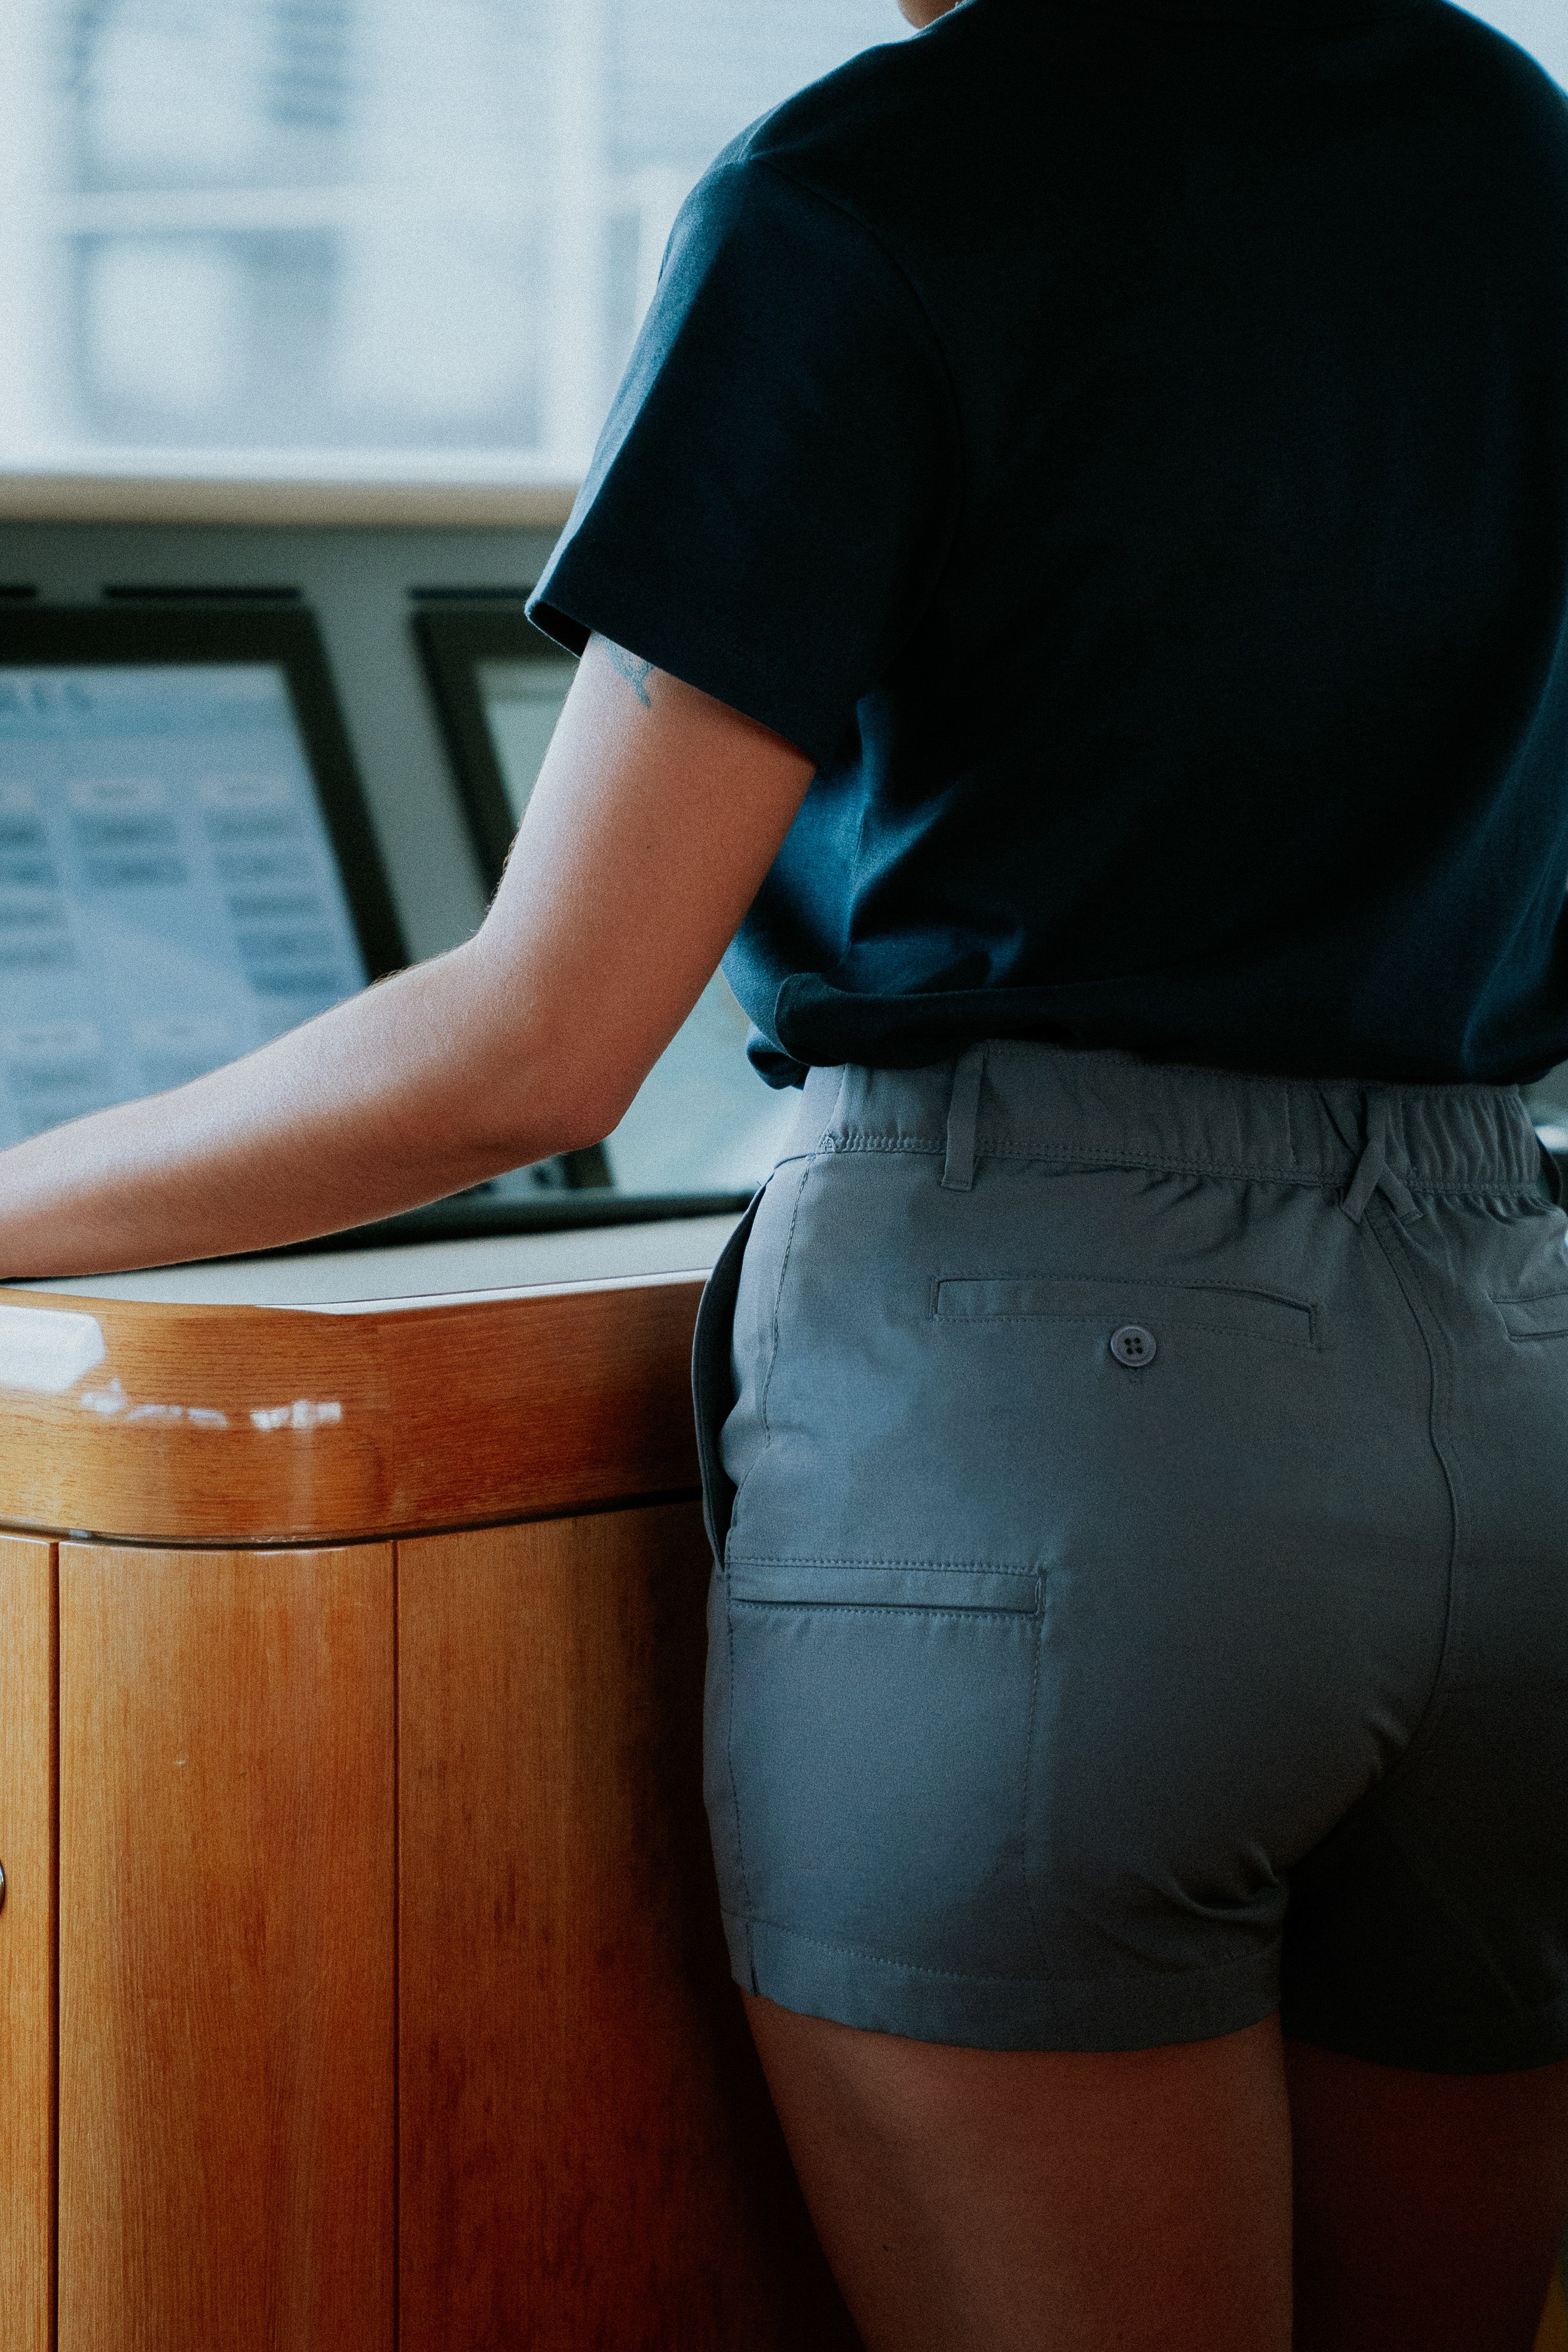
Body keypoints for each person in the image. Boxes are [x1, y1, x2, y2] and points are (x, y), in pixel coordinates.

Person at [5, 0, 1568, 2342]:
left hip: (1054, 1422)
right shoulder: (1499, 130)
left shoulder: (868, 188)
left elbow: (532, 1049)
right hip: (1511, 1376)